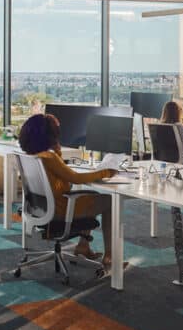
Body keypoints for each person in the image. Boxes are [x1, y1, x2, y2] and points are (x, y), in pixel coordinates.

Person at [17, 113, 120, 267]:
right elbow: (75, 178)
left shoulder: (33, 156)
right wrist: (107, 172)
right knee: (109, 201)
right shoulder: (49, 158)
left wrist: (56, 152)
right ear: (51, 136)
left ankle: (83, 246)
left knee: (89, 198)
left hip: (41, 209)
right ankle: (110, 257)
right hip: (61, 211)